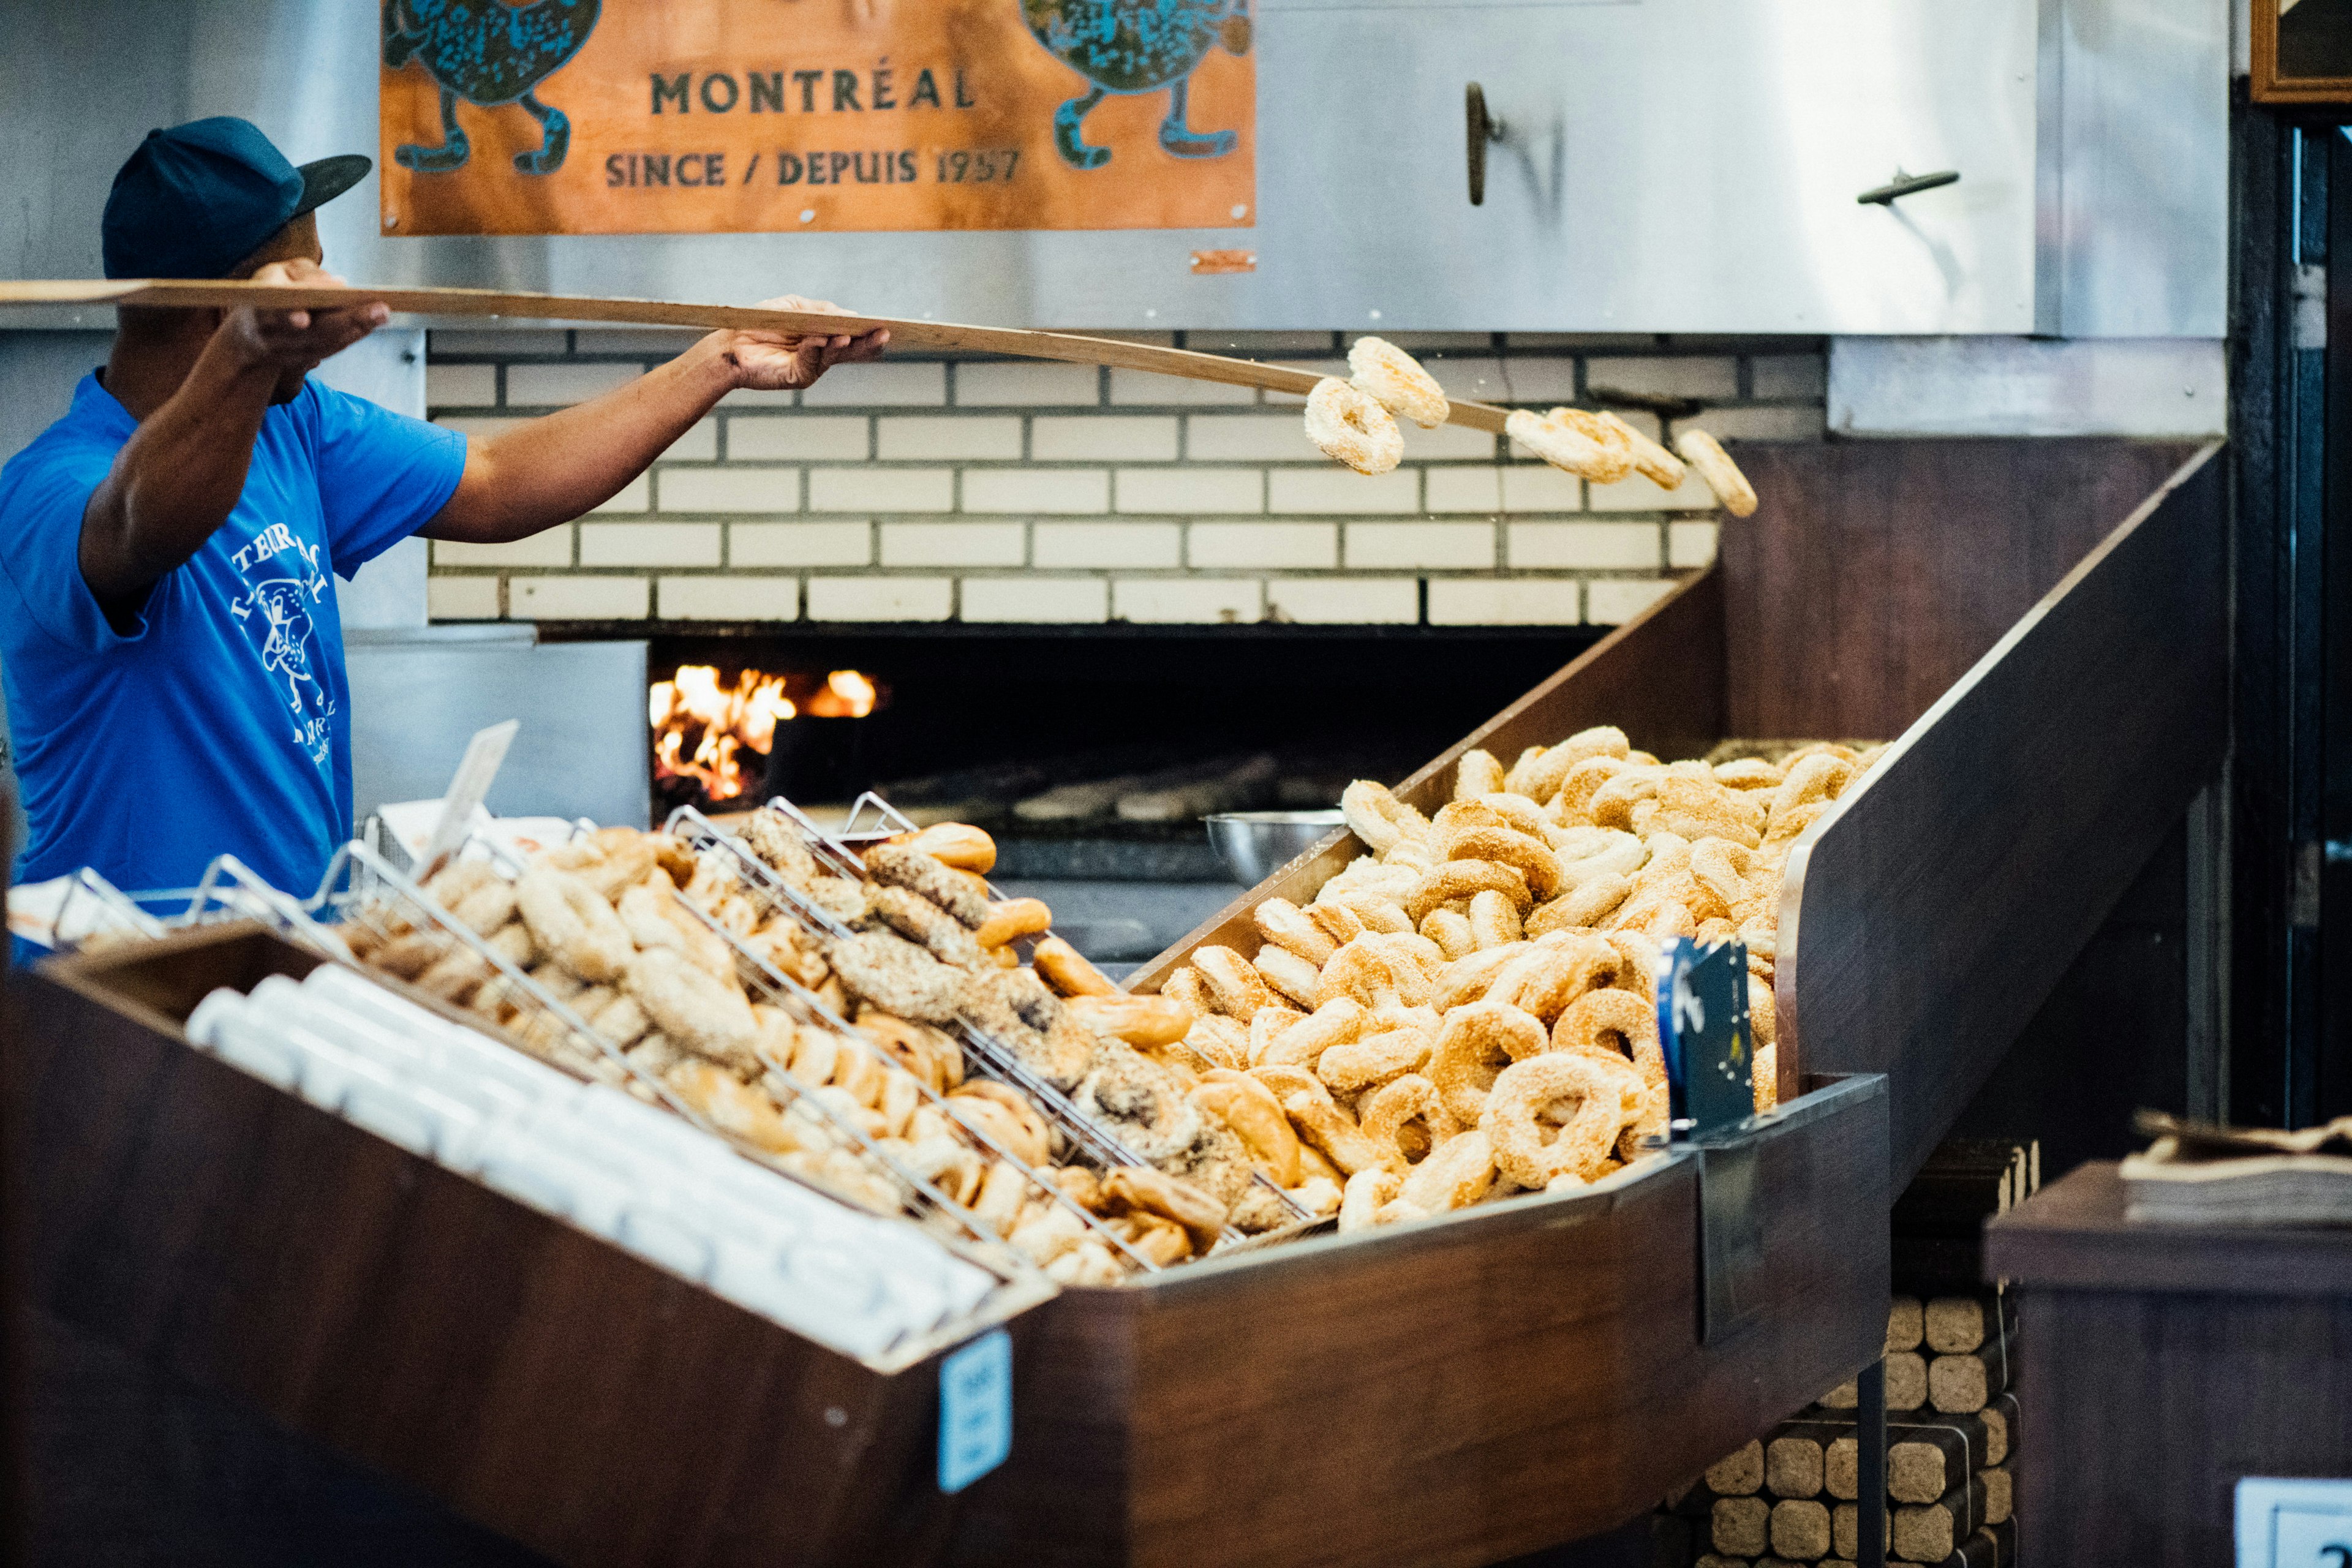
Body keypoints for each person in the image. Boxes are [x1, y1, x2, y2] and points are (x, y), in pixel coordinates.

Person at [0, 118, 885, 902]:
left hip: (284, 943)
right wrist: (242, 354)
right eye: (300, 265)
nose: (329, 277)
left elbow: (497, 481)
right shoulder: (49, 489)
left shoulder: (292, 424)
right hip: (113, 969)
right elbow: (138, 527)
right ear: (223, 309)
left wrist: (722, 359)